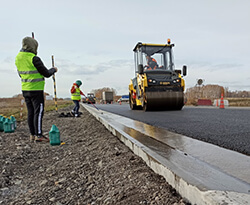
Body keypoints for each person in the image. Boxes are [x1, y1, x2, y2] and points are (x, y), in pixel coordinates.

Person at [15, 37, 58, 142]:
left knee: (31, 112)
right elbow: (46, 73)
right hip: (36, 89)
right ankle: (39, 135)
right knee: (38, 112)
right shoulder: (34, 58)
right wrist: (54, 70)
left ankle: (32, 135)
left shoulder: (18, 58)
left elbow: (20, 74)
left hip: (25, 89)